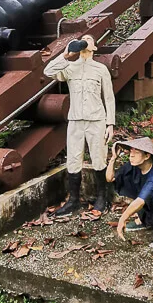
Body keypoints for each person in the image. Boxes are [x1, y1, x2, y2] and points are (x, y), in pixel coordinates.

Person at [43, 34, 115, 217]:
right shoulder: (70, 68)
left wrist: (110, 124)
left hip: (96, 120)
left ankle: (102, 198)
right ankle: (74, 200)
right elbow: (48, 71)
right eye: (83, 38)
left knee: (99, 158)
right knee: (73, 160)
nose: (85, 40)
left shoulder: (100, 69)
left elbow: (109, 97)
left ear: (94, 48)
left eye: (89, 39)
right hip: (75, 121)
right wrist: (66, 55)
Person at [106, 137, 153, 251]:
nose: (131, 155)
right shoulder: (133, 166)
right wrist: (113, 159)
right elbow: (110, 178)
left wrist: (123, 218)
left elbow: (140, 201)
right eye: (131, 151)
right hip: (146, 207)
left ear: (147, 156)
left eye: (136, 152)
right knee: (133, 183)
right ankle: (143, 220)